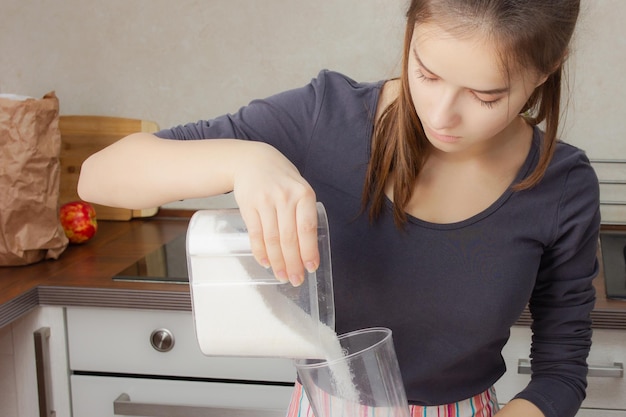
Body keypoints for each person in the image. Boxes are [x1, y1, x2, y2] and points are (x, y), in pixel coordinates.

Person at [77, 0, 600, 416]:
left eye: (485, 96)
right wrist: (244, 160)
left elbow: (560, 373)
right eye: (427, 72)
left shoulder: (563, 188)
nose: (441, 115)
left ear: (548, 68)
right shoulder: (324, 119)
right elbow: (101, 175)